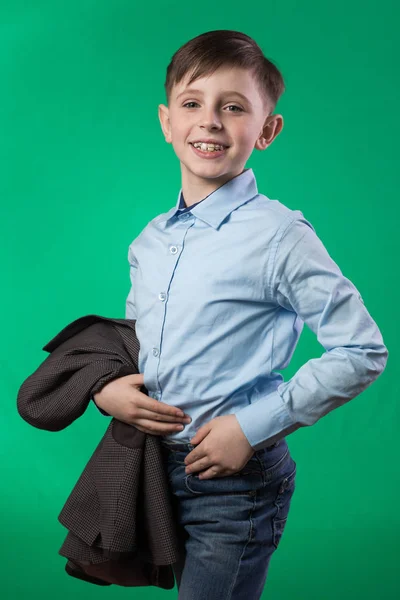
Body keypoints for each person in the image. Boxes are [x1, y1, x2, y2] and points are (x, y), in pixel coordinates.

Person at [93, 30, 388, 599]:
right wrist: (110, 390)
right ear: (166, 121)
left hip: (236, 483)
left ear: (267, 130)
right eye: (192, 104)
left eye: (233, 107)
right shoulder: (149, 241)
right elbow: (136, 344)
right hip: (152, 466)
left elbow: (362, 351)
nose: (210, 121)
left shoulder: (280, 236)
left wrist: (250, 429)